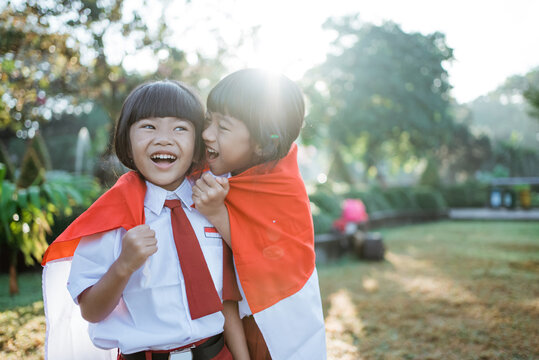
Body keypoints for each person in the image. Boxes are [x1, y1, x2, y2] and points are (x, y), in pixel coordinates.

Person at [41, 80, 249, 360]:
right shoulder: (111, 220)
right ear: (127, 140)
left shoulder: (214, 200)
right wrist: (123, 265)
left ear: (198, 140)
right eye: (148, 127)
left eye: (180, 128)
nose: (164, 138)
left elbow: (231, 296)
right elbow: (91, 311)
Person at [192, 69, 327, 359]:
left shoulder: (281, 185)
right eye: (208, 120)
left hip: (271, 328)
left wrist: (217, 214)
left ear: (263, 143)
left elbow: (270, 258)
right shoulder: (231, 173)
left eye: (222, 127)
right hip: (227, 326)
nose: (206, 134)